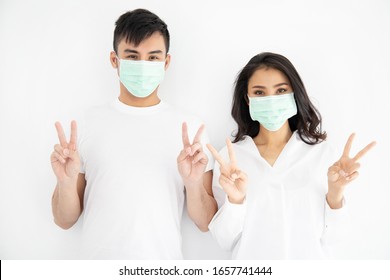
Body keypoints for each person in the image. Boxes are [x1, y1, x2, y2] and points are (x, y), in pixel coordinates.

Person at [50, 9, 217, 259]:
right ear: (114, 60)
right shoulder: (87, 123)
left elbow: (205, 223)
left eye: (152, 57)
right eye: (132, 56)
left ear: (166, 62)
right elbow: (64, 221)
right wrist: (65, 182)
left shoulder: (191, 129)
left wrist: (193, 184)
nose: (143, 65)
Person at [206, 52, 376, 259]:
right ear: (247, 99)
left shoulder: (322, 154)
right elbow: (224, 241)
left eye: (281, 91)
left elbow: (335, 238)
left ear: (294, 94)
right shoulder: (231, 158)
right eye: (259, 93)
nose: (271, 100)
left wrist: (336, 193)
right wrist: (235, 200)